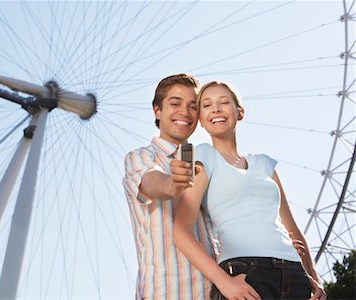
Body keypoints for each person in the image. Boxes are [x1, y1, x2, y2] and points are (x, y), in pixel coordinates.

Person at [173, 80, 326, 299]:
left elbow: (292, 227)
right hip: (245, 273)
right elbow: (181, 231)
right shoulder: (203, 155)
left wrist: (313, 277)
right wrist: (223, 281)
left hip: (294, 275)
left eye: (224, 102)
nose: (215, 108)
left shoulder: (265, 164)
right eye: (206, 105)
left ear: (240, 112)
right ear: (202, 122)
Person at [122, 74, 257, 299]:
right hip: (166, 292)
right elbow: (151, 182)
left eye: (193, 106)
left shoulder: (209, 162)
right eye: (175, 104)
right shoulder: (141, 158)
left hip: (218, 290)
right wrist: (172, 182)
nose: (184, 112)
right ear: (157, 111)